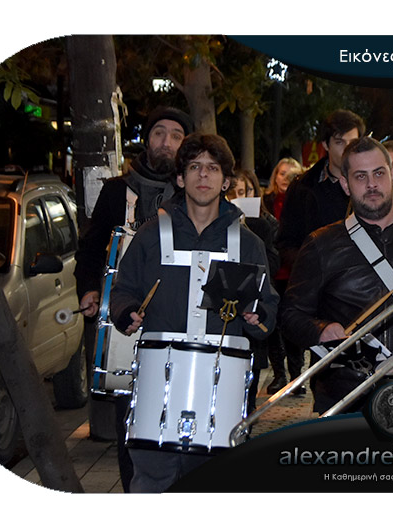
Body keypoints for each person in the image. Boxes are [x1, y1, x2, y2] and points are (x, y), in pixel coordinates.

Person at [110, 133, 279, 493]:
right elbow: (123, 291)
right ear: (180, 178)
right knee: (152, 482)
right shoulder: (150, 235)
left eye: (213, 168)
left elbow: (268, 308)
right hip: (160, 384)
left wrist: (257, 317)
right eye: (194, 167)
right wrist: (126, 313)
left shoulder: (249, 243)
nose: (204, 176)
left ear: (226, 181)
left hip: (223, 387)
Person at [279, 136, 393, 414]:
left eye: (379, 173)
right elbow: (290, 315)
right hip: (346, 394)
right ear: (345, 184)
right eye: (360, 176)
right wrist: (320, 329)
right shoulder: (320, 244)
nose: (372, 184)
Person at [72, 106, 193, 492]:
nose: (167, 142)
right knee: (131, 423)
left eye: (176, 135)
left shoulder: (193, 193)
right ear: (147, 139)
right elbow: (90, 251)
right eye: (160, 132)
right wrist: (90, 289)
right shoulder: (114, 191)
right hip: (125, 325)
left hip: (175, 324)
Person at [276, 110, 365, 274]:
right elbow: (286, 243)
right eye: (339, 142)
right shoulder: (302, 188)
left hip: (361, 282)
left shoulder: (370, 186)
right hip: (314, 283)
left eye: (352, 142)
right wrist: (312, 267)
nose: (347, 149)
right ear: (325, 144)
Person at [228, 167, 282, 409]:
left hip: (251, 323)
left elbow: (270, 266)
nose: (242, 196)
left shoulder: (261, 227)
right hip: (226, 325)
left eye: (246, 191)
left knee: (246, 402)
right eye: (236, 192)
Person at [260, 158, 307, 394]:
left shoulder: (301, 202)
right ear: (274, 176)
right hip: (272, 271)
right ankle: (279, 374)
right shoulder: (265, 202)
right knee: (273, 323)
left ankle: (296, 376)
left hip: (294, 270)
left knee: (292, 323)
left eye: (291, 175)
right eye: (281, 173)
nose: (285, 179)